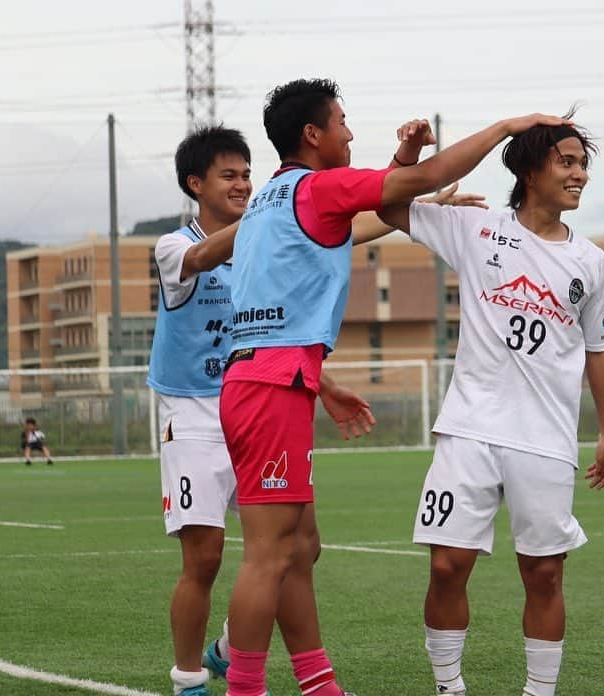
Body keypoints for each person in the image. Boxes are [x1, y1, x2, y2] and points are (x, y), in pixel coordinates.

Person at [218, 77, 549, 696]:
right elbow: (416, 185)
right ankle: (244, 688)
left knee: (299, 546)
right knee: (268, 553)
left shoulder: (274, 196)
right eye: (342, 122)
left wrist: (322, 384)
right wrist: (504, 127)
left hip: (268, 379)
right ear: (312, 135)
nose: (349, 132)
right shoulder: (319, 186)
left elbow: (373, 208)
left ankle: (319, 685)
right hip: (268, 386)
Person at [151, 124, 482, 696]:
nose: (242, 184)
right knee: (207, 555)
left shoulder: (270, 235)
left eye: (248, 175)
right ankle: (189, 680)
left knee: (300, 547)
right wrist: (280, 213)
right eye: (229, 176)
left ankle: (239, 653)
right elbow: (214, 252)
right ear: (194, 183)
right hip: (196, 410)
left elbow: (336, 238)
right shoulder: (175, 245)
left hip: (259, 386)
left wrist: (418, 208)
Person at [376, 113, 604, 696]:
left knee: (543, 572)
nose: (579, 175)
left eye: (583, 164)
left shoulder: (591, 262)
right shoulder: (477, 228)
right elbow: (389, 204)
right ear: (528, 168)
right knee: (446, 565)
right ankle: (449, 686)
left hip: (545, 438)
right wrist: (410, 155)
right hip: (469, 428)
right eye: (567, 162)